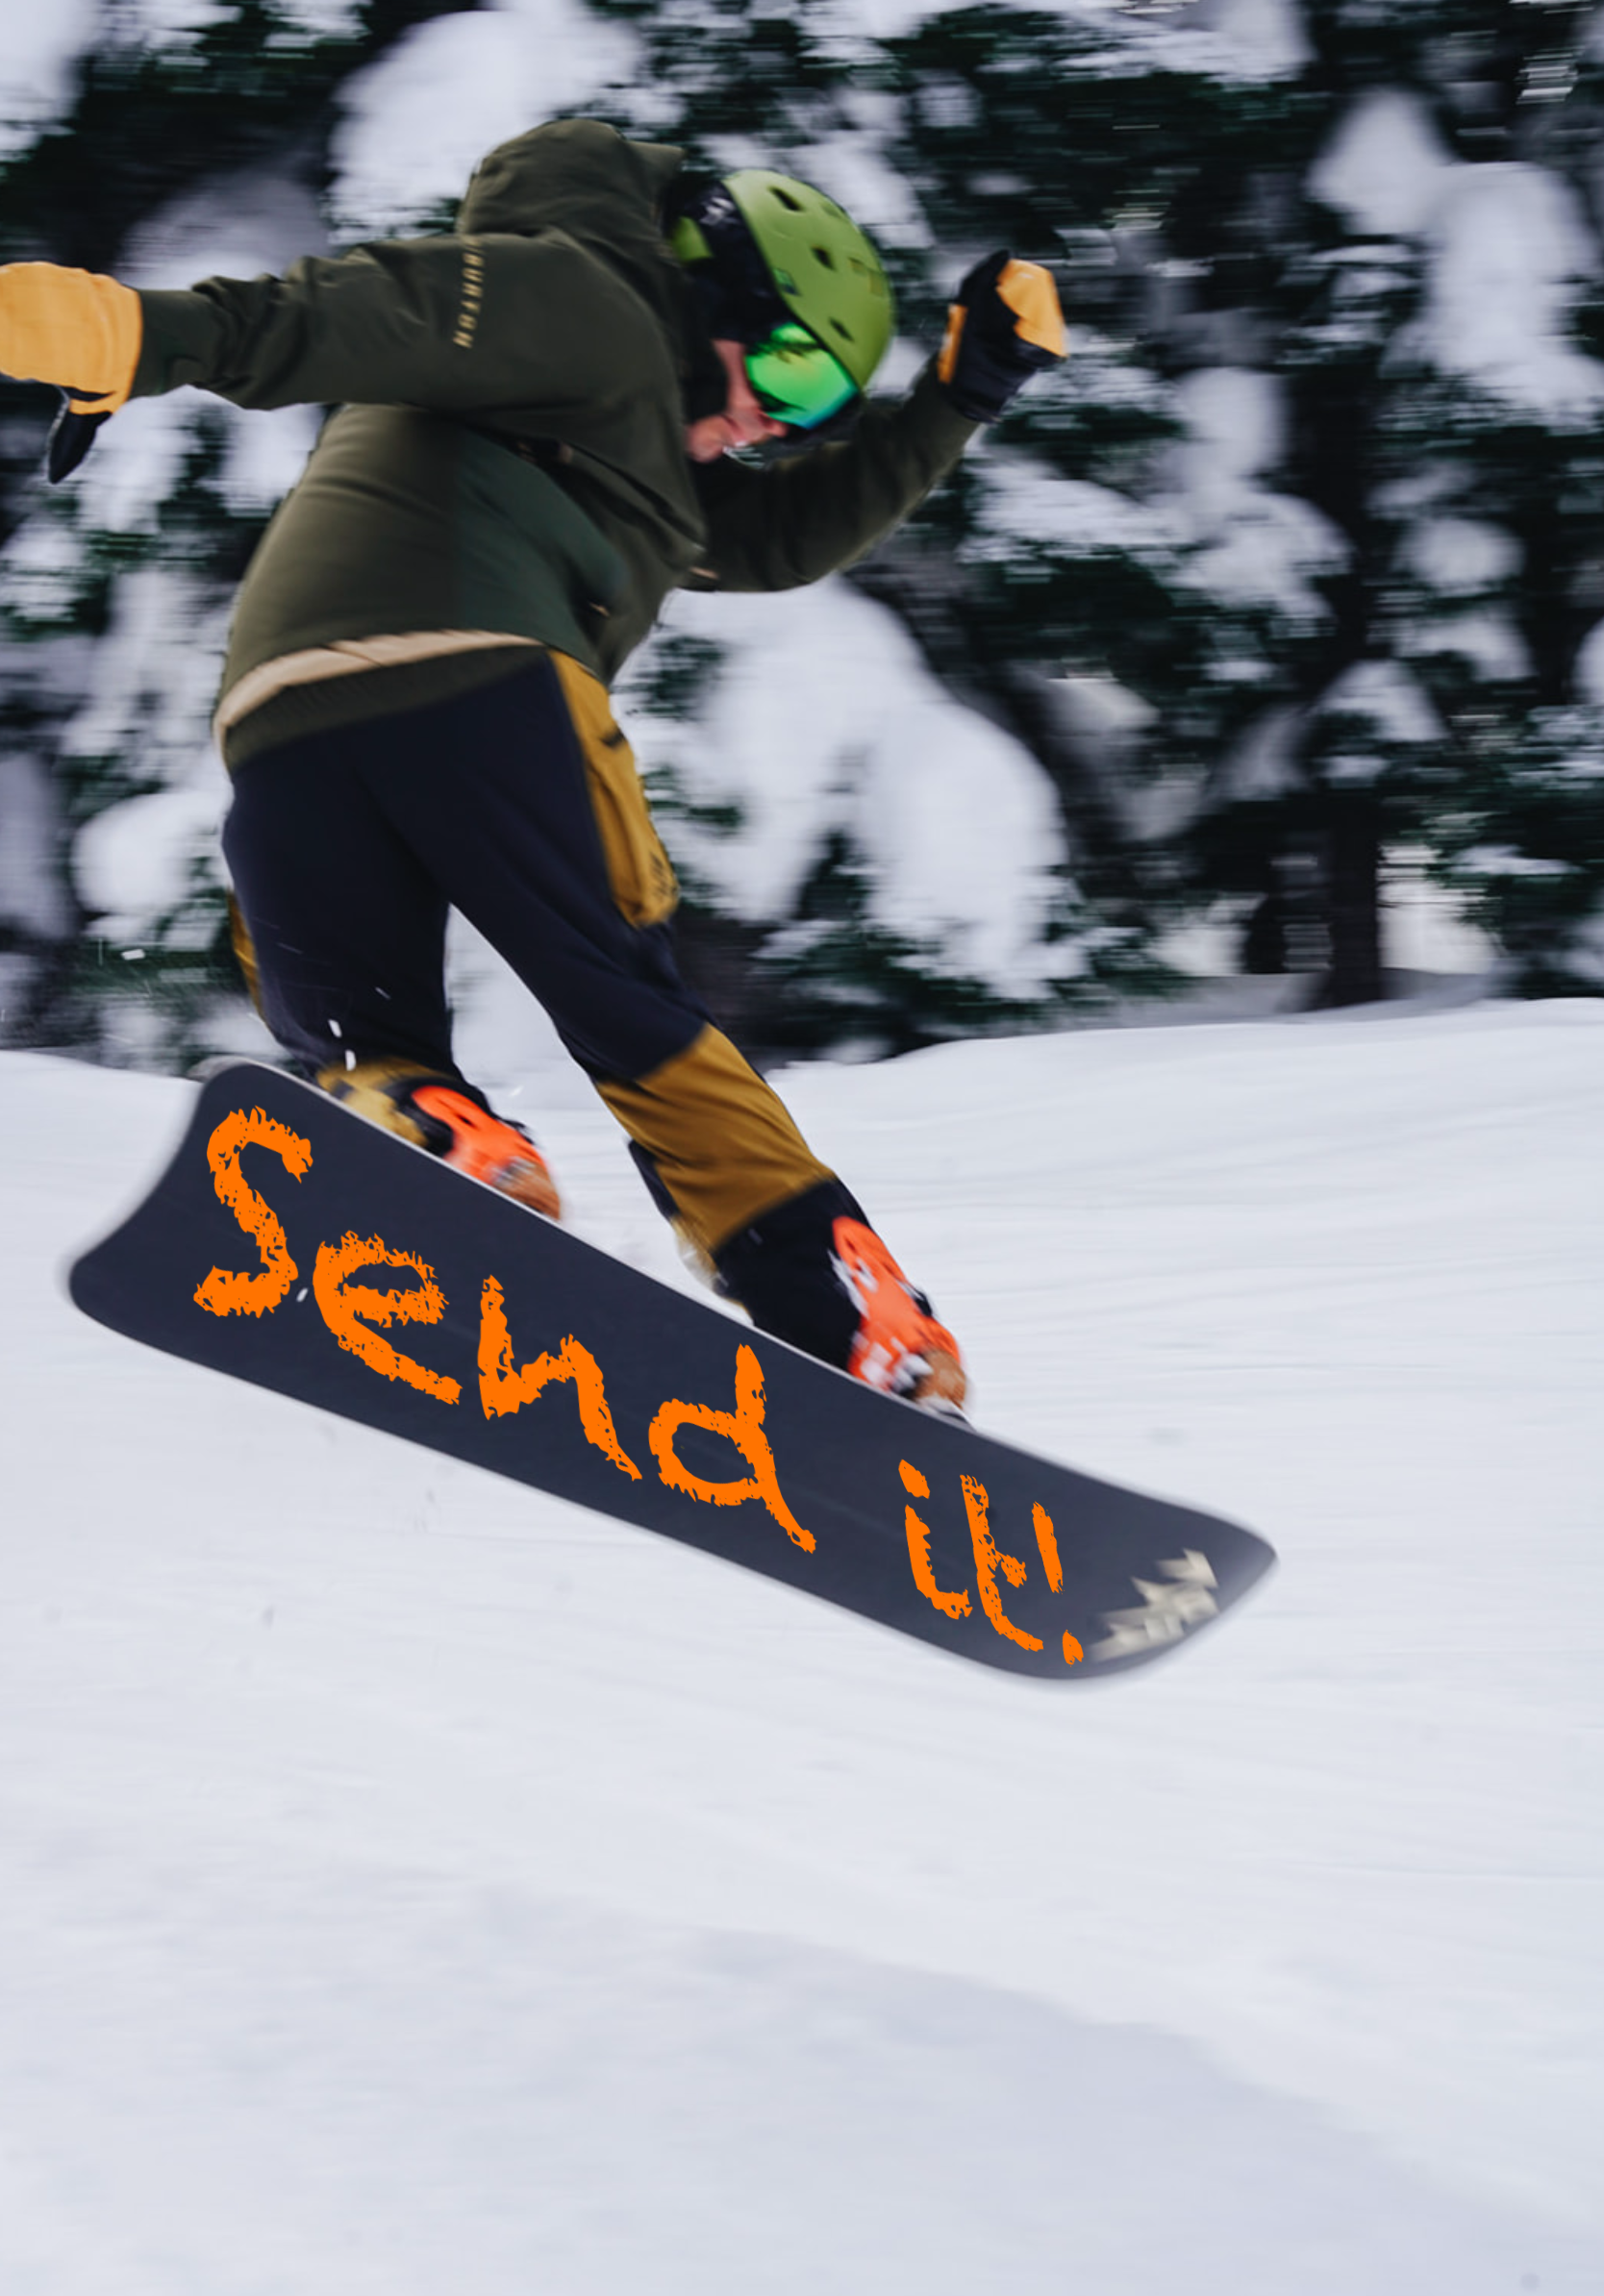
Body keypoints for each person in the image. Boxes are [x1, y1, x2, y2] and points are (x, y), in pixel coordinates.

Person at [0, 118, 1065, 1410]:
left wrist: (957, 399)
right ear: (714, 288)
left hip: (284, 716)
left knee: (356, 1026)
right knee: (619, 992)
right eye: (784, 367)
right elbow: (343, 313)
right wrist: (135, 334)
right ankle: (837, 1302)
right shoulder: (589, 303)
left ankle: (428, 1131)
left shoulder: (638, 441)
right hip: (479, 677)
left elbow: (784, 535)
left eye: (810, 412)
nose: (765, 423)